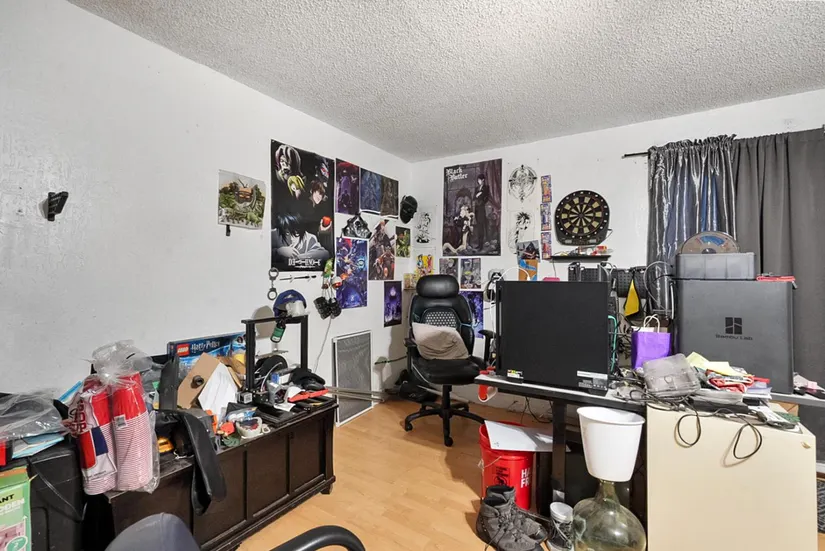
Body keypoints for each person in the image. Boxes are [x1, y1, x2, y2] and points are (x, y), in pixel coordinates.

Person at [473, 173, 490, 250]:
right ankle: (479, 245)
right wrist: (477, 195)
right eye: (478, 180)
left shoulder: (486, 187)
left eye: (479, 180)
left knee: (481, 227)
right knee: (479, 227)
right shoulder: (476, 188)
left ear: (483, 180)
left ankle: (481, 246)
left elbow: (486, 198)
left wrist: (480, 195)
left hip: (482, 209)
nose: (478, 181)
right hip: (477, 209)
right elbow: (474, 197)